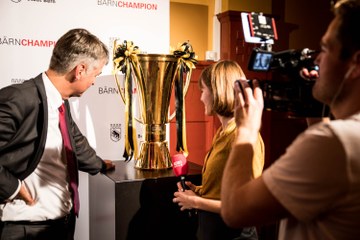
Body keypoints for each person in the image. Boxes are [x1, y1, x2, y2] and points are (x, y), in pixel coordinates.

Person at [221, 0, 360, 239]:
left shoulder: (334, 143)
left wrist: (246, 129)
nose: (316, 60)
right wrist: (315, 106)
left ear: (355, 63)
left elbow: (234, 210)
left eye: (325, 49)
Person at [0, 28, 115, 240]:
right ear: (79, 70)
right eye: (95, 74)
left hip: (61, 227)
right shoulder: (18, 98)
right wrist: (15, 189)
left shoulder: (60, 102)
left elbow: (75, 143)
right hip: (24, 230)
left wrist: (100, 164)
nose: (94, 82)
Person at [173, 60, 265, 240]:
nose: (201, 98)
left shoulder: (244, 138)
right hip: (212, 230)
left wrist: (195, 202)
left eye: (203, 91)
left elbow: (246, 206)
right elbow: (223, 191)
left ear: (217, 92)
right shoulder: (222, 133)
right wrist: (199, 190)